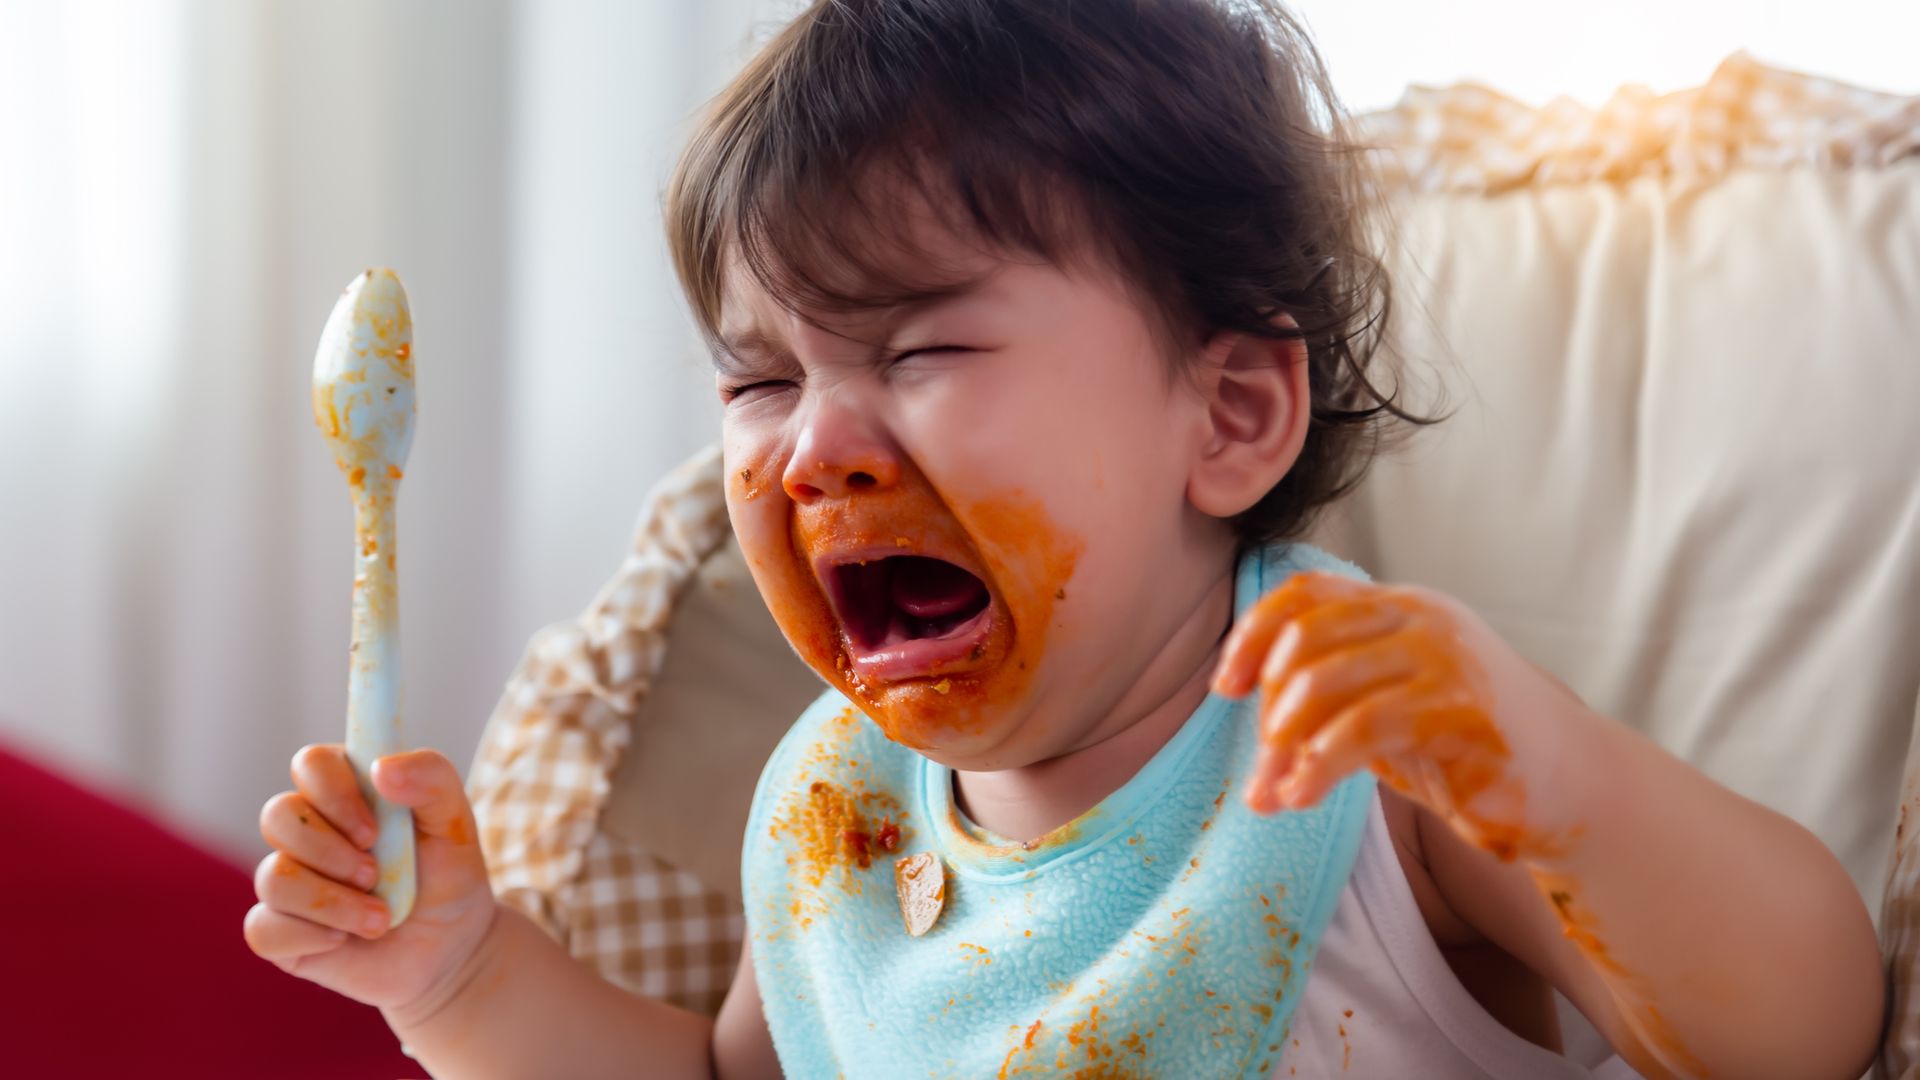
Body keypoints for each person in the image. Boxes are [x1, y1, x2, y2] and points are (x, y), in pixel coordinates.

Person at [243, 1, 1884, 1076]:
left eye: (920, 353)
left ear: (1230, 417)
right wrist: (456, 978)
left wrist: (1555, 780)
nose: (811, 450)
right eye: (759, 378)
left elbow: (1802, 1034)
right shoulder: (838, 823)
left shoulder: (1359, 748)